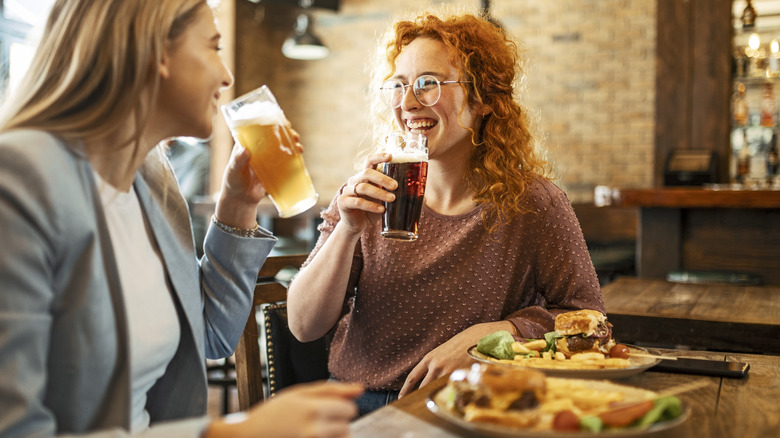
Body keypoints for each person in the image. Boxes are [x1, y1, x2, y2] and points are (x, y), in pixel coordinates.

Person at [0, 0, 361, 437]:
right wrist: (231, 433)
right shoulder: (19, 178)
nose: (226, 76)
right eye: (213, 47)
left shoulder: (151, 178)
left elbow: (211, 333)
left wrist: (237, 206)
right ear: (156, 53)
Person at [286, 9, 604, 416]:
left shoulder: (534, 203)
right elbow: (303, 325)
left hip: (470, 407)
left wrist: (492, 337)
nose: (407, 103)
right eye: (399, 86)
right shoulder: (369, 190)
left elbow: (589, 317)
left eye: (428, 84)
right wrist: (347, 231)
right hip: (355, 405)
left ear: (484, 98)